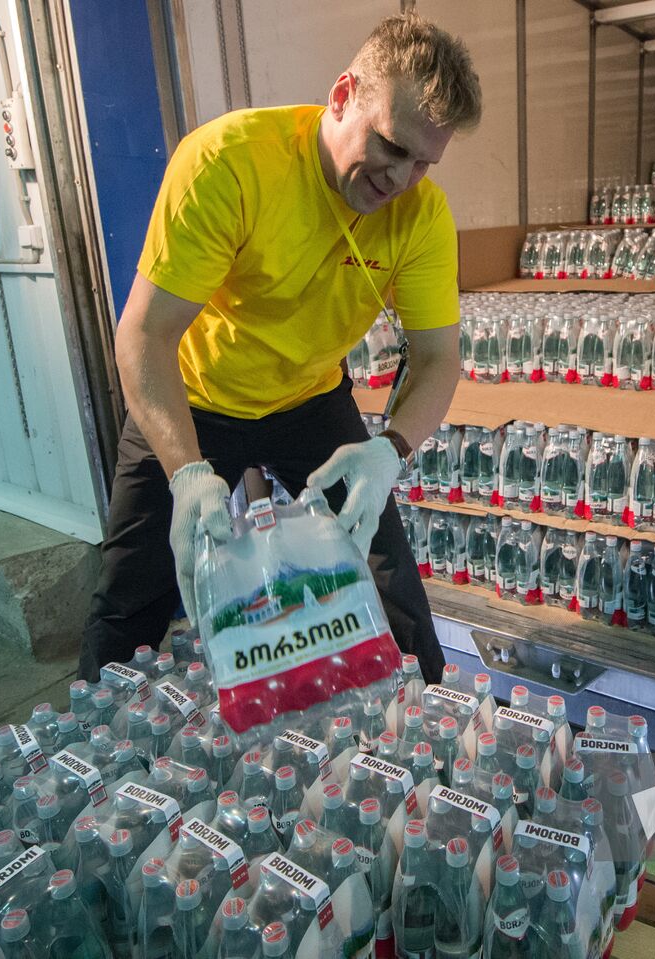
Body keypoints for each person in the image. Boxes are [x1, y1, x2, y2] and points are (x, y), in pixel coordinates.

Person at [78, 13, 482, 685]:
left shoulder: (421, 215)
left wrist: (390, 451)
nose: (402, 177)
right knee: (133, 594)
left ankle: (430, 728)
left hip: (309, 398)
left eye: (423, 161)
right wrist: (186, 473)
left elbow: (439, 358)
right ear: (342, 94)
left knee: (389, 585)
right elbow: (143, 335)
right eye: (390, 145)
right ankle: (95, 760)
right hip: (198, 395)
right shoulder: (231, 163)